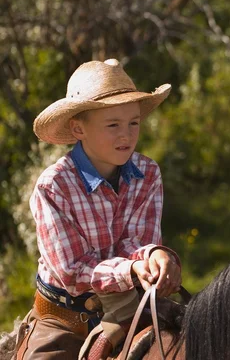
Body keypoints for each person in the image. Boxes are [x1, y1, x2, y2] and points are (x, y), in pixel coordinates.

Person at [13, 59, 182, 359]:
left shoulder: (148, 173)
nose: (126, 135)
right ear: (79, 128)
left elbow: (137, 241)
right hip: (66, 318)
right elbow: (72, 271)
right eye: (113, 125)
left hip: (130, 300)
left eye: (134, 123)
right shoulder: (53, 186)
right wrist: (131, 269)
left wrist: (154, 254)